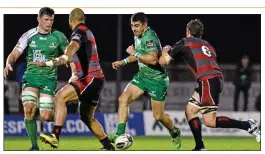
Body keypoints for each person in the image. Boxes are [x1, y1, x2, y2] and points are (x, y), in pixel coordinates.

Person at [159, 19, 261, 151]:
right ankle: (200, 147)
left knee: (209, 121)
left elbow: (163, 62)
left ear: (188, 31)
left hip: (208, 80)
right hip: (213, 79)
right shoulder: (208, 46)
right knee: (190, 111)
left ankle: (247, 125)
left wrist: (165, 50)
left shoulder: (184, 41)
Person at [29, 8, 115, 151]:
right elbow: (76, 55)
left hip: (90, 78)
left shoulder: (79, 31)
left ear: (70, 20)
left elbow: (73, 45)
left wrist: (65, 55)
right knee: (86, 118)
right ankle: (108, 147)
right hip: (96, 79)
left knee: (60, 97)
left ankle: (55, 136)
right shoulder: (87, 31)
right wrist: (52, 62)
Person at [108, 12, 181, 150]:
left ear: (144, 25)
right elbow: (140, 55)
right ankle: (119, 133)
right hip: (142, 77)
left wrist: (133, 52)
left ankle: (174, 131)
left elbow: (153, 60)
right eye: (132, 26)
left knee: (158, 116)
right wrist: (123, 62)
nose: (134, 29)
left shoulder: (149, 37)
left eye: (137, 26)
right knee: (123, 98)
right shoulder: (138, 35)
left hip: (157, 80)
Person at [4, 7, 68, 151]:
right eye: (46, 19)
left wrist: (69, 65)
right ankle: (34, 146)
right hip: (31, 77)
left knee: (45, 116)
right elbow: (14, 53)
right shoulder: (28, 35)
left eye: (51, 20)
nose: (49, 23)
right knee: (29, 109)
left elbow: (68, 55)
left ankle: (56, 113)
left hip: (48, 79)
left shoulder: (59, 36)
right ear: (38, 19)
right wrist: (8, 63)